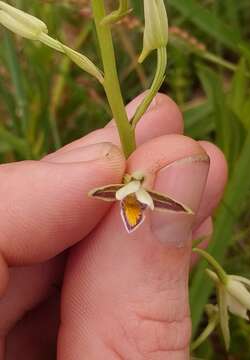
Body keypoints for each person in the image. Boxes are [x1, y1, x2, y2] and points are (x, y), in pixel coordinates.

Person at [0, 93, 227, 359]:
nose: (132, 204)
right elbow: (106, 194)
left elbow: (113, 195)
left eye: (134, 200)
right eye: (131, 200)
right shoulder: (124, 195)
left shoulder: (129, 194)